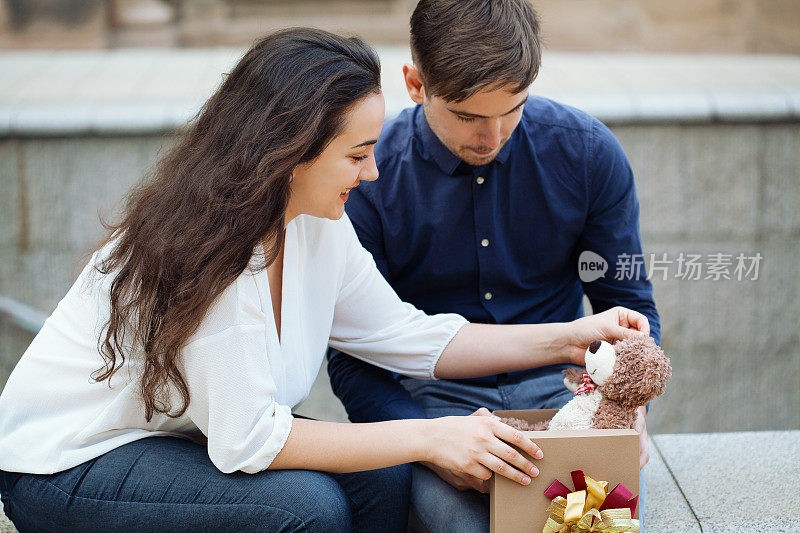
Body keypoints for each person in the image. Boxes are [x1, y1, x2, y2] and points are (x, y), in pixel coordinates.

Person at [0, 28, 650, 533]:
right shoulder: (210, 251)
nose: (372, 174)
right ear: (290, 153)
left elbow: (410, 337)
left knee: (386, 478)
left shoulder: (315, 223)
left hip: (179, 437)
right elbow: (248, 439)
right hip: (67, 462)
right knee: (306, 507)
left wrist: (570, 336)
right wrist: (433, 433)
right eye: (358, 154)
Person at [326, 1, 662, 531]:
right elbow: (352, 355)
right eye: (468, 116)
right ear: (415, 84)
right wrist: (426, 440)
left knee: (597, 523)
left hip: (568, 392)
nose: (494, 135)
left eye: (514, 109)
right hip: (435, 401)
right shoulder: (368, 177)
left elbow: (631, 306)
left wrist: (625, 409)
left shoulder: (588, 153)